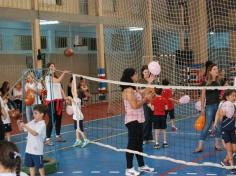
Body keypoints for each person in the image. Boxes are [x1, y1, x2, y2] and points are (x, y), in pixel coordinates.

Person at [120, 68, 154, 176]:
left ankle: (142, 166)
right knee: (132, 144)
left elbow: (145, 92)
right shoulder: (128, 90)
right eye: (135, 74)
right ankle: (129, 169)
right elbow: (134, 106)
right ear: (131, 76)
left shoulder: (134, 89)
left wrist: (149, 82)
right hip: (132, 120)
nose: (137, 76)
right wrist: (144, 100)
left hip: (139, 119)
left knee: (139, 144)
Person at [194, 64, 222, 153]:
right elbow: (202, 96)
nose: (216, 70)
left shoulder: (219, 82)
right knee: (207, 126)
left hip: (218, 107)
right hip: (209, 107)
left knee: (218, 126)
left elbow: (220, 95)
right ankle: (200, 146)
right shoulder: (205, 82)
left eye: (217, 68)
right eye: (214, 69)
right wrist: (202, 109)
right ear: (210, 71)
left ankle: (217, 145)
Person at [17, 104, 47, 176]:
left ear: (42, 114)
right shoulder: (32, 121)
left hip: (37, 151)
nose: (33, 115)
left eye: (36, 113)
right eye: (33, 113)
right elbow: (21, 129)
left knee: (40, 167)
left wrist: (25, 126)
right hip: (29, 149)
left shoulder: (42, 124)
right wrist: (19, 124)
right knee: (31, 166)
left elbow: (35, 133)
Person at [44, 63, 69, 146]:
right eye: (51, 66)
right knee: (52, 120)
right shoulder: (48, 78)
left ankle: (58, 136)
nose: (53, 67)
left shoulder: (56, 77)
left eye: (54, 66)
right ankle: (47, 139)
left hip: (59, 101)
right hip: (51, 102)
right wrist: (64, 73)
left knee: (58, 119)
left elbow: (60, 88)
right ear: (48, 69)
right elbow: (57, 81)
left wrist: (65, 98)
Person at [213, 90, 236, 166]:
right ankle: (231, 164)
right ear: (227, 97)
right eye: (232, 96)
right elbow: (219, 115)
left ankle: (225, 160)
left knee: (234, 149)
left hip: (233, 129)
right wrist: (216, 122)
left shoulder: (235, 104)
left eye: (235, 96)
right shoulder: (223, 104)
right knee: (229, 149)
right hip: (225, 129)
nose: (234, 97)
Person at [65, 77, 89, 148]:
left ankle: (86, 139)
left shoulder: (77, 100)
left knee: (80, 129)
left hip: (79, 116)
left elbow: (73, 101)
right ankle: (78, 140)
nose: (74, 92)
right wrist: (73, 82)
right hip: (75, 116)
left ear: (78, 95)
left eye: (76, 92)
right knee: (76, 129)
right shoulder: (76, 97)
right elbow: (72, 90)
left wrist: (70, 98)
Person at [139, 65, 159, 144]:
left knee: (151, 120)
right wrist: (149, 83)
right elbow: (142, 92)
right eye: (145, 72)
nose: (146, 73)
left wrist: (154, 96)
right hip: (145, 102)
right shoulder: (141, 81)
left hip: (152, 102)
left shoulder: (152, 80)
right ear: (142, 73)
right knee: (146, 120)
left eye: (148, 71)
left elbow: (153, 90)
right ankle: (143, 138)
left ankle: (149, 137)